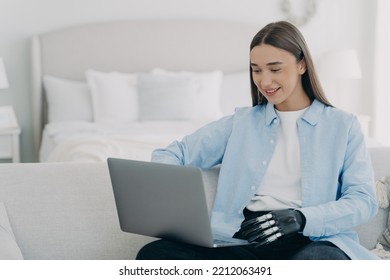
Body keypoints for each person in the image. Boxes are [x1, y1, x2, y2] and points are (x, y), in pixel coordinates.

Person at [136, 21, 379, 260]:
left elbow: (363, 200)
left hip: (311, 239)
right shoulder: (240, 123)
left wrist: (303, 218)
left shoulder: (343, 125)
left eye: (275, 69)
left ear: (302, 64)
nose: (264, 81)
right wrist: (175, 195)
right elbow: (173, 153)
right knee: (154, 254)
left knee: (318, 262)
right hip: (244, 240)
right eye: (256, 69)